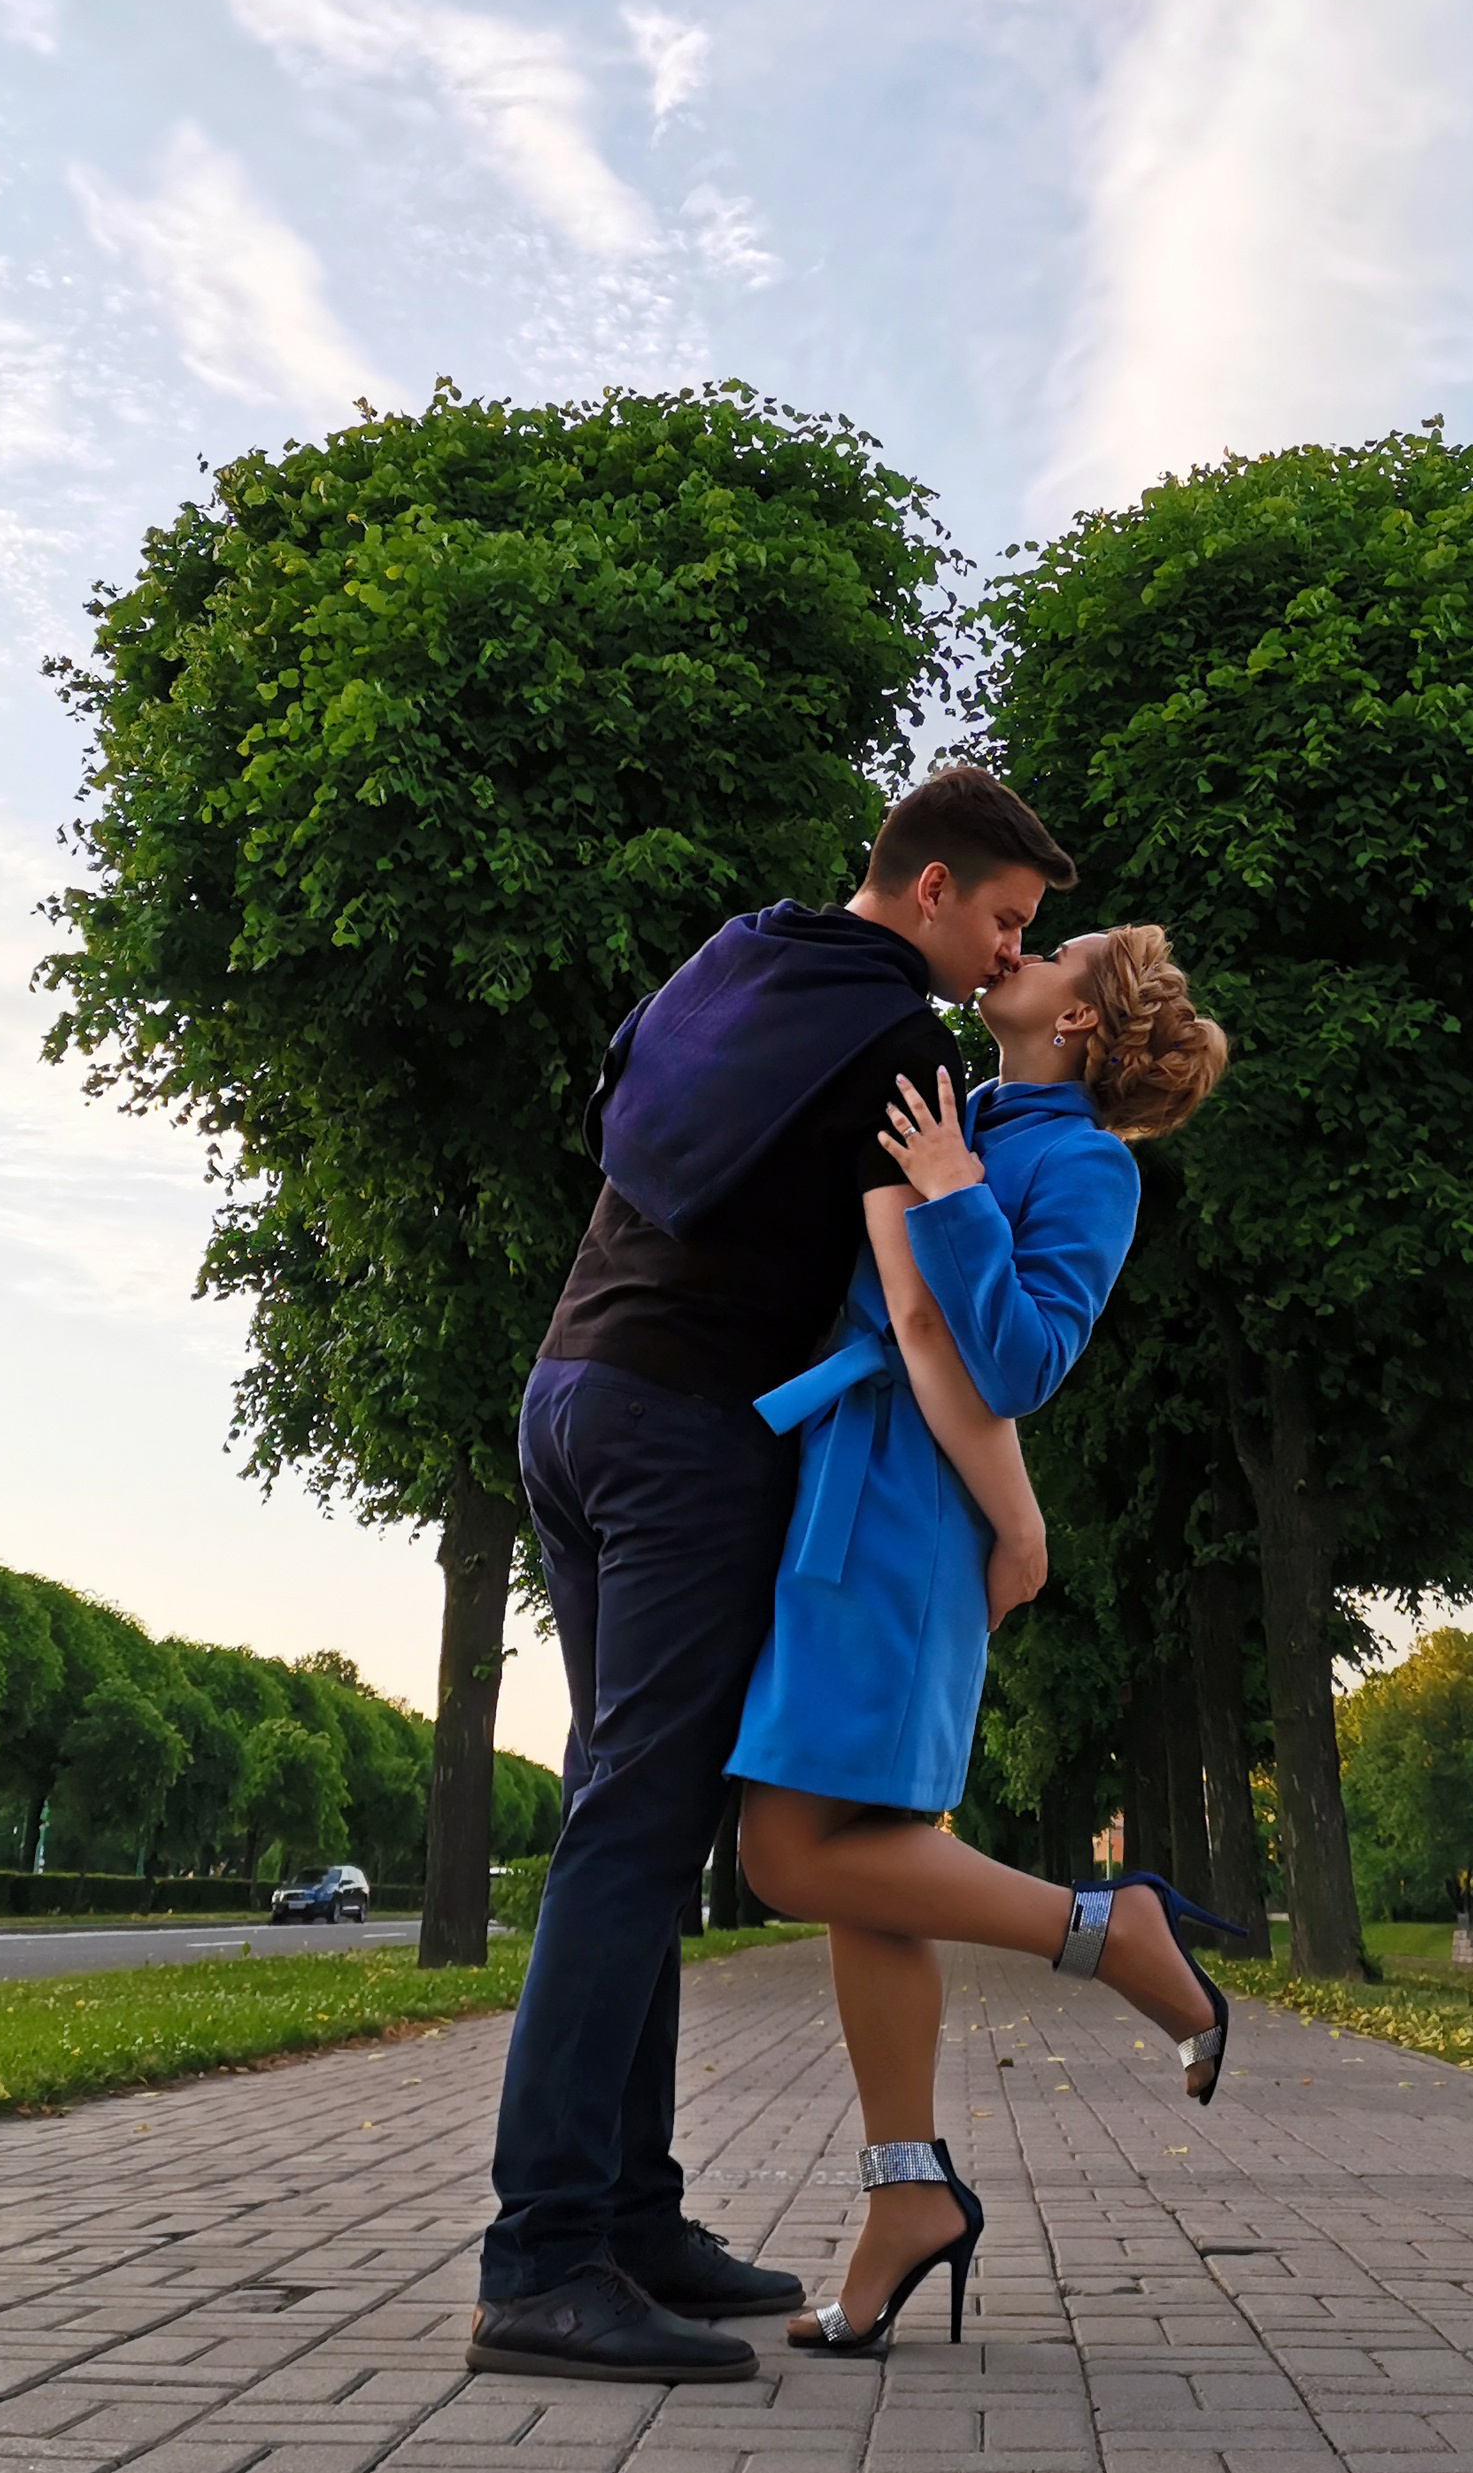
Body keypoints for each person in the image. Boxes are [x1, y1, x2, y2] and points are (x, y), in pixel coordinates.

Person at [469, 766, 1077, 2387]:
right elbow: (929, 1308)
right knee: (637, 1825)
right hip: (683, 1432)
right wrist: (1016, 1520)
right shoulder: (898, 1046)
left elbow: (624, 1112)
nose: (1003, 953)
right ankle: (541, 2255)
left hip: (569, 1394)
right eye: (1005, 920)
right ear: (934, 883)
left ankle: (633, 2216)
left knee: (634, 1816)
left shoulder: (741, 954)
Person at [729, 919, 1229, 2356]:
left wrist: (948, 1194)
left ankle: (1105, 1927)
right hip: (845, 1475)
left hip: (898, 1511)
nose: (1020, 949)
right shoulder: (956, 1088)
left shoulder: (1088, 1165)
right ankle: (905, 2194)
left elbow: (1016, 1358)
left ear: (1082, 1020)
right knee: (865, 1869)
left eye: (1055, 947)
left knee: (783, 1848)